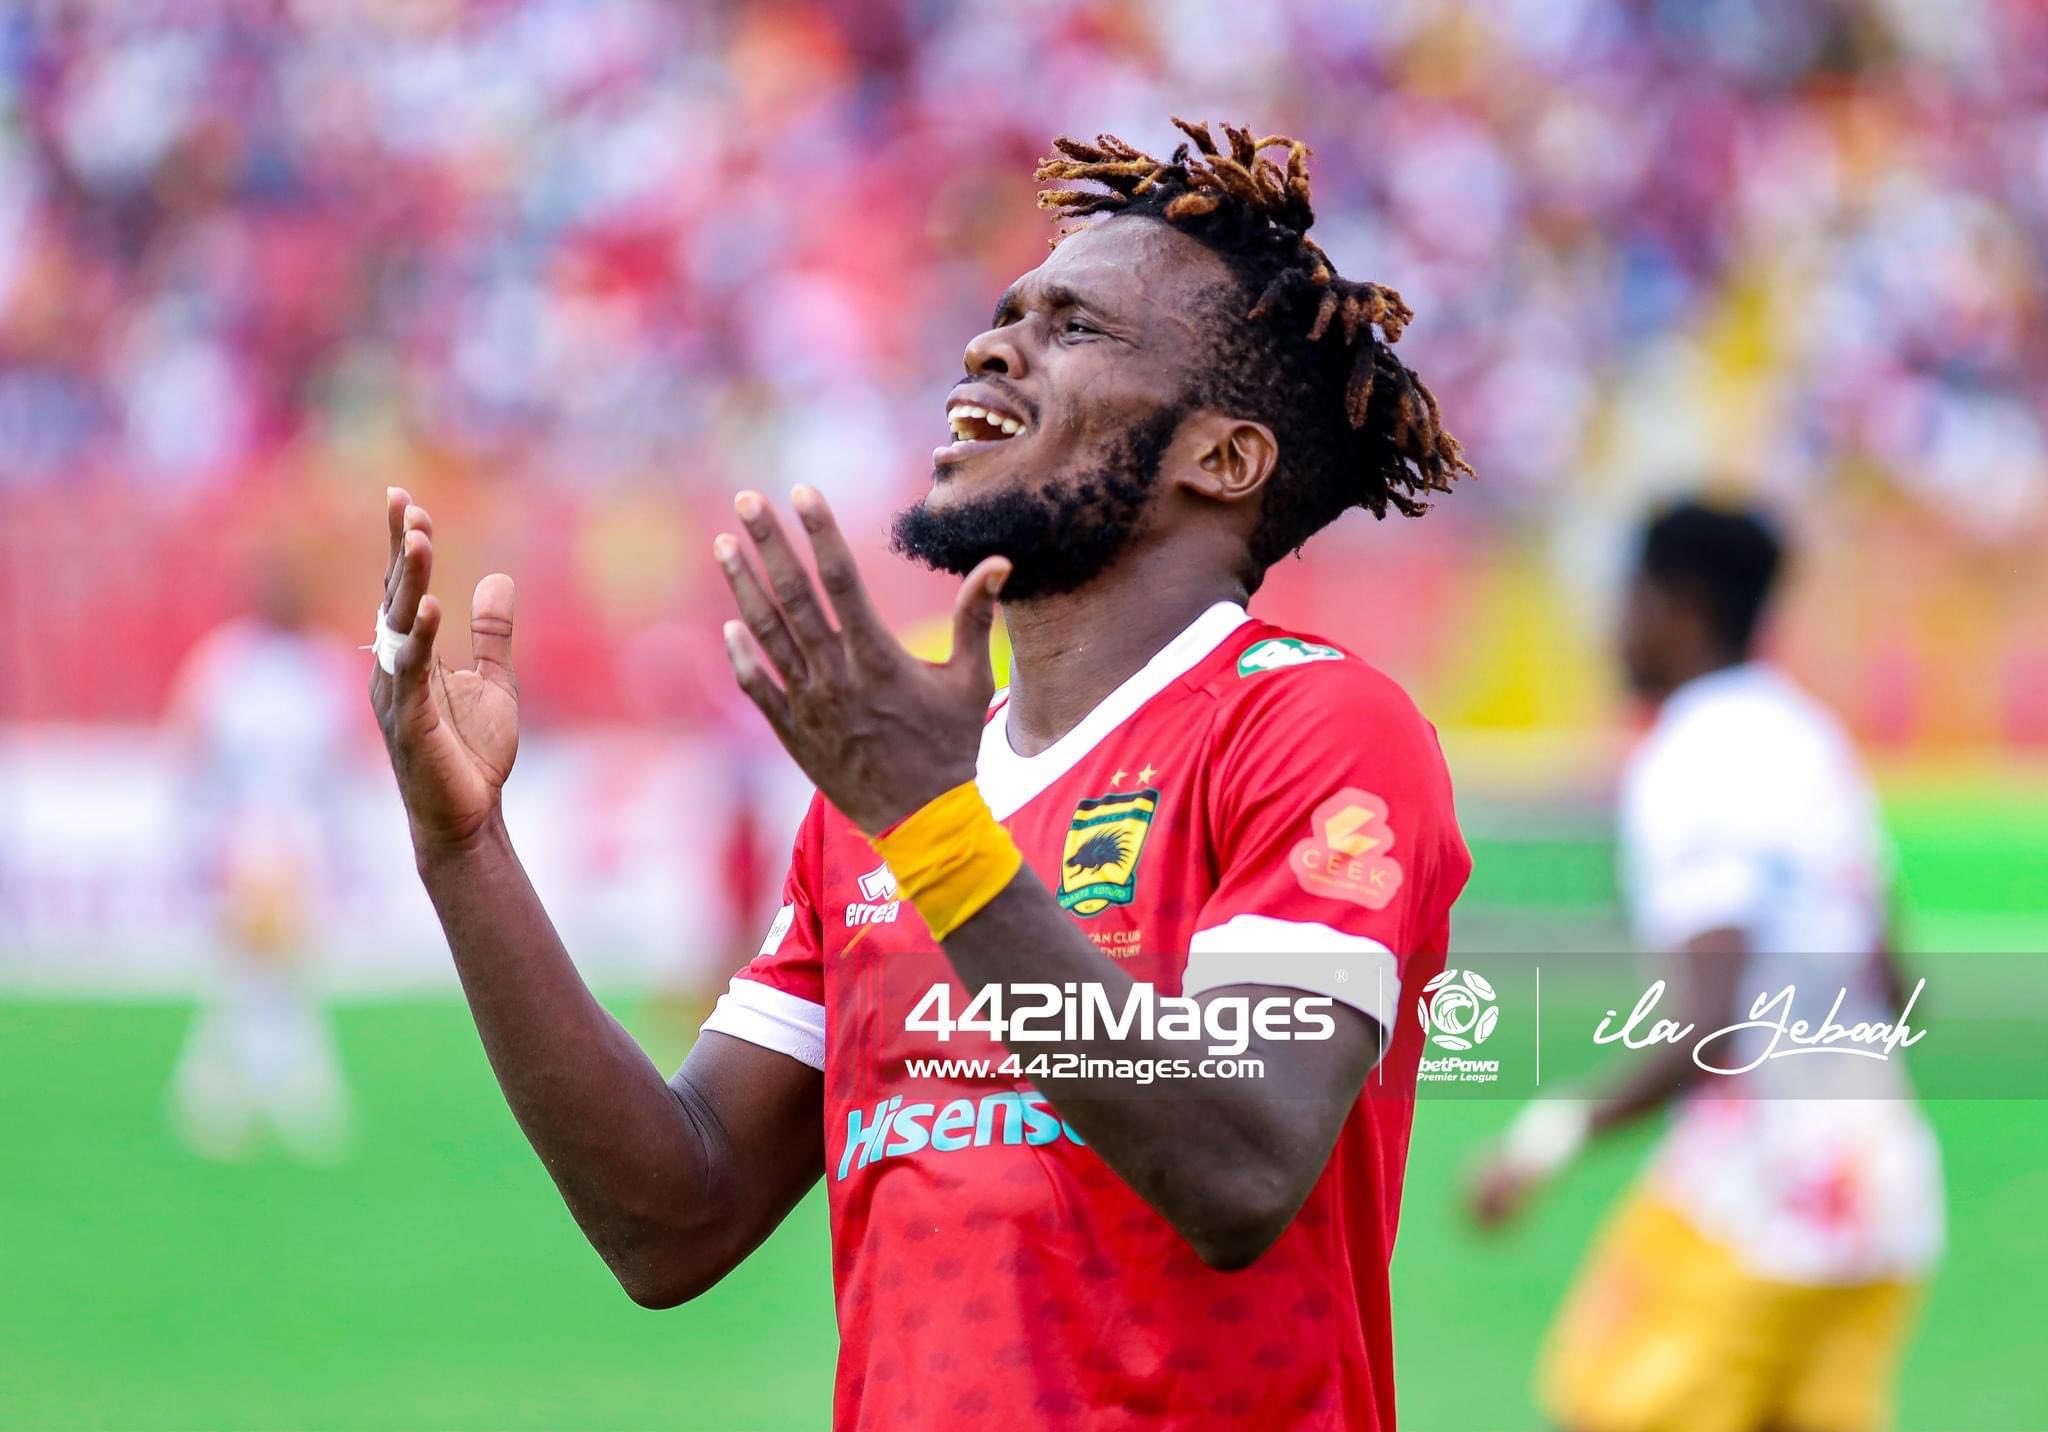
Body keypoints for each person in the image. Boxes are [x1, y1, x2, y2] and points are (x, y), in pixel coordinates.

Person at [370, 120, 1473, 1429]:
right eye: (1006, 315)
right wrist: (465, 850)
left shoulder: (1311, 726)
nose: (992, 347)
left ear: (1221, 459)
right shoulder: (881, 799)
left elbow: (1239, 1166)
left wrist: (932, 828)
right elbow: (674, 1218)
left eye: (1076, 327)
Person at [1468, 501, 1943, 1432]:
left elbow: (1714, 1025)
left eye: (1625, 598)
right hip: (1880, 1194)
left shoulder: (1690, 758)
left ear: (1675, 608)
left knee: (1600, 1407)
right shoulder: (1813, 738)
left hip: (1752, 1201)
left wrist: (1545, 1138)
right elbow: (1892, 982)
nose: (1612, 626)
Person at [167, 558, 358, 1161]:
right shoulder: (227, 663)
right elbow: (194, 748)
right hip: (245, 834)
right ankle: (248, 1090)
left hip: (298, 837)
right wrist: (203, 830)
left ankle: (247, 1089)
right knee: (250, 967)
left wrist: (336, 838)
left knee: (283, 967)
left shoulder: (321, 665)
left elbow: (340, 762)